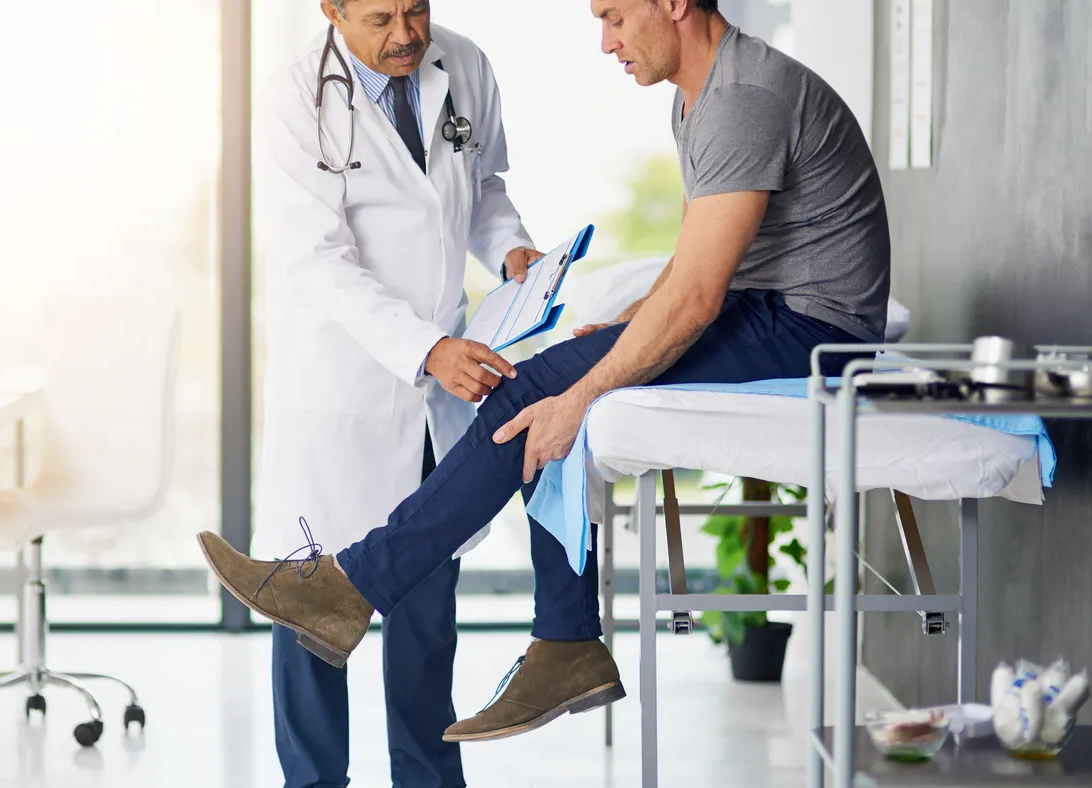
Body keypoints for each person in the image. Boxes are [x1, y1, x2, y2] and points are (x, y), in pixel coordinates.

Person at [209, 0, 891, 746]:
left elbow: (696, 291)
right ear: (332, 10)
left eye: (615, 17)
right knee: (537, 393)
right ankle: (551, 638)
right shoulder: (707, 97)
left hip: (803, 327)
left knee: (533, 401)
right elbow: (704, 268)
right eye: (381, 18)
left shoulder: (738, 99)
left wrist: (588, 375)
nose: (605, 42)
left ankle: (407, 602)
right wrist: (633, 325)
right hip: (347, 371)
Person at [251, 0, 541, 785]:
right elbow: (315, 261)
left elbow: (483, 187)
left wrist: (511, 250)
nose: (407, 34)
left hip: (434, 393)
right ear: (332, 10)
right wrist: (427, 348)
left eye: (415, 8)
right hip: (341, 385)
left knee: (424, 604)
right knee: (311, 608)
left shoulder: (466, 64)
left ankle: (428, 778)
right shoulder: (293, 100)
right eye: (380, 17)